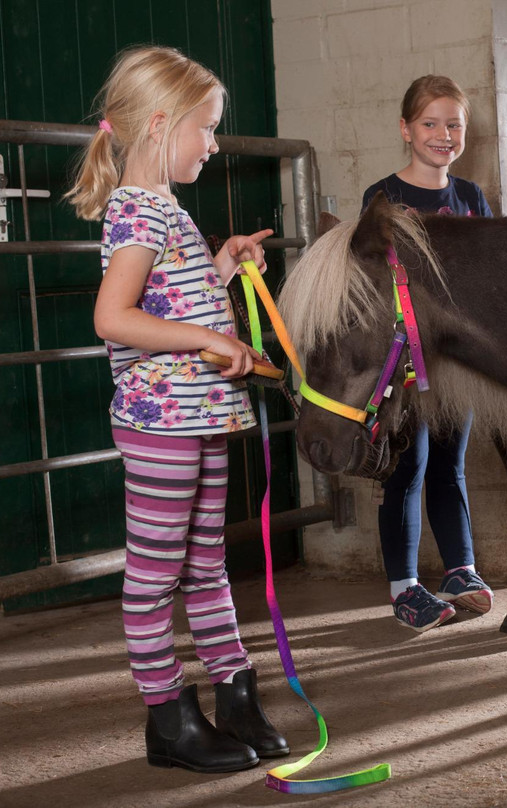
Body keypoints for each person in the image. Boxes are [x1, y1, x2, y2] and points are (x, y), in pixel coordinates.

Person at [66, 45, 288, 773]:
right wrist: (202, 336)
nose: (215, 142)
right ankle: (167, 715)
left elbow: (170, 296)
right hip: (161, 424)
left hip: (200, 415)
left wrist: (222, 265)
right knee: (156, 573)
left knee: (205, 565)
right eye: (208, 127)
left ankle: (234, 691)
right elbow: (114, 317)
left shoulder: (165, 210)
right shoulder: (137, 213)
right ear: (161, 126)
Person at [362, 75, 495, 633]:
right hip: (404, 359)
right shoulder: (383, 198)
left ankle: (460, 571)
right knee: (407, 466)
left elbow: (489, 274)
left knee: (449, 464)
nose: (444, 134)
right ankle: (404, 585)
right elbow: (369, 278)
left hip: (456, 360)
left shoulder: (469, 198)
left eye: (454, 124)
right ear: (406, 129)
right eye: (431, 124)